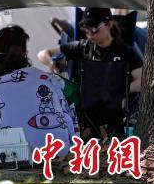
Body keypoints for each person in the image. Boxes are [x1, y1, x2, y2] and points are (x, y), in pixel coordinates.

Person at [37, 7, 143, 139]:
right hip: (87, 122)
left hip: (115, 120)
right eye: (86, 30)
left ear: (109, 25)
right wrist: (50, 62)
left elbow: (141, 81)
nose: (90, 35)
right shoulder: (83, 47)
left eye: (93, 29)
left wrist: (119, 89)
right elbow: (42, 53)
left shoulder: (125, 51)